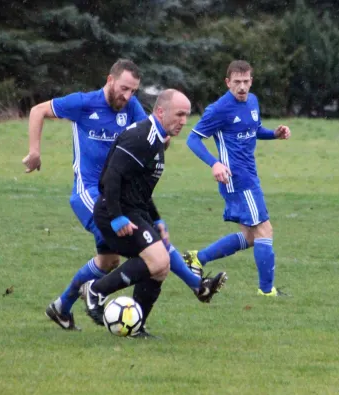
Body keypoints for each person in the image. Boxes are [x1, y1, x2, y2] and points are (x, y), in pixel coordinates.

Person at [22, 60, 223, 331]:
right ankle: (195, 285)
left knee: (109, 261)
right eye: (124, 88)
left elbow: (152, 131)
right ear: (110, 80)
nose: (127, 96)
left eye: (133, 91)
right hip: (90, 192)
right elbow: (37, 111)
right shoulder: (83, 103)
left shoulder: (130, 108)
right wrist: (35, 151)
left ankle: (61, 307)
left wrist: (166, 134)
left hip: (120, 193)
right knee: (148, 244)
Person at [83, 89, 228, 338]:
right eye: (179, 114)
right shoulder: (141, 137)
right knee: (159, 260)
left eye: (187, 115)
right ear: (160, 112)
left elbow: (141, 189)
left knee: (159, 268)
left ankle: (136, 327)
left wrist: (157, 218)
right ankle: (95, 290)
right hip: (113, 212)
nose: (184, 121)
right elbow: (111, 177)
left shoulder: (158, 141)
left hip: (134, 211)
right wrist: (117, 216)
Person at [182, 60, 291, 297]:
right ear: (227, 82)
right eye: (236, 82)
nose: (242, 87)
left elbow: (254, 129)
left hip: (250, 175)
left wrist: (274, 134)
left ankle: (197, 259)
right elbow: (193, 139)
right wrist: (215, 163)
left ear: (251, 81)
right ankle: (266, 291)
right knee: (264, 231)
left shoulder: (252, 101)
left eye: (246, 81)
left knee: (251, 237)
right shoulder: (219, 109)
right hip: (237, 179)